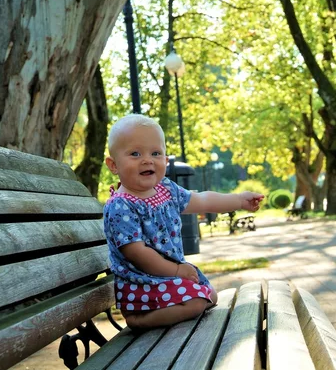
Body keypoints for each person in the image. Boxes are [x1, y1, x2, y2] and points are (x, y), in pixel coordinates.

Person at [103, 114, 264, 331]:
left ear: (165, 161)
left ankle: (164, 308)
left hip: (167, 276)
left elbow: (203, 200)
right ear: (113, 165)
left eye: (156, 153)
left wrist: (238, 199)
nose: (147, 159)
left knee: (210, 296)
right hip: (142, 283)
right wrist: (177, 270)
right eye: (135, 153)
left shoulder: (166, 190)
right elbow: (137, 253)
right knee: (198, 301)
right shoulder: (121, 205)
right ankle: (138, 318)